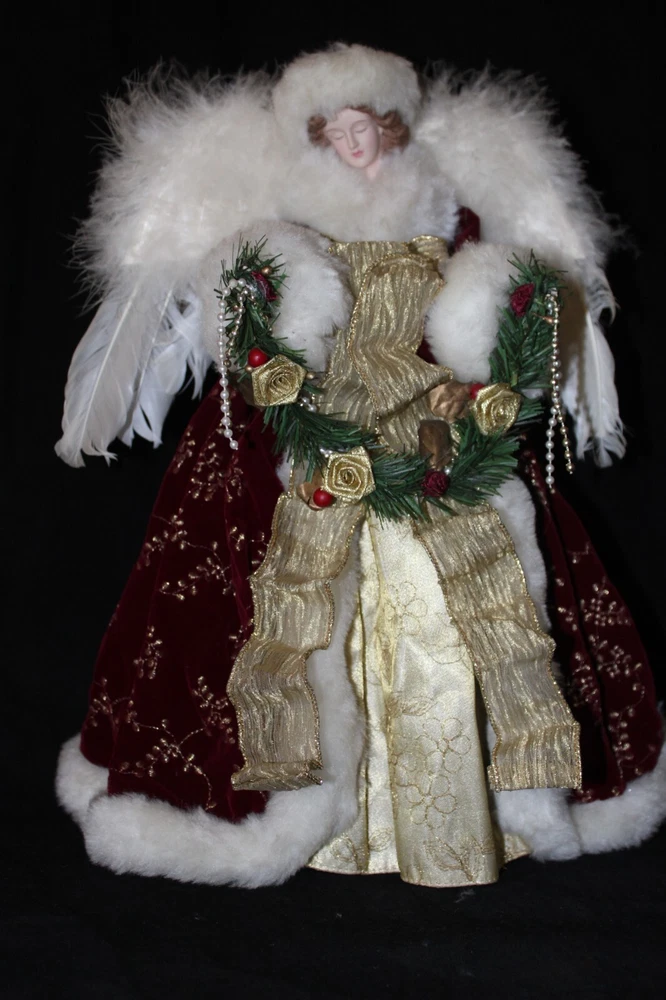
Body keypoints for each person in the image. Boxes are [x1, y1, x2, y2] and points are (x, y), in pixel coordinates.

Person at [56, 43, 665, 888]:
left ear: (391, 126)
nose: (352, 143)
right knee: (254, 581)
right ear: (313, 137)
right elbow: (246, 308)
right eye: (333, 130)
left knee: (489, 572)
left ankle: (486, 801)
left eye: (364, 126)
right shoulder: (285, 217)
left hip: (430, 414)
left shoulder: (445, 207)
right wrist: (268, 336)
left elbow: (492, 296)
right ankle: (292, 808)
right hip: (310, 410)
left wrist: (494, 334)